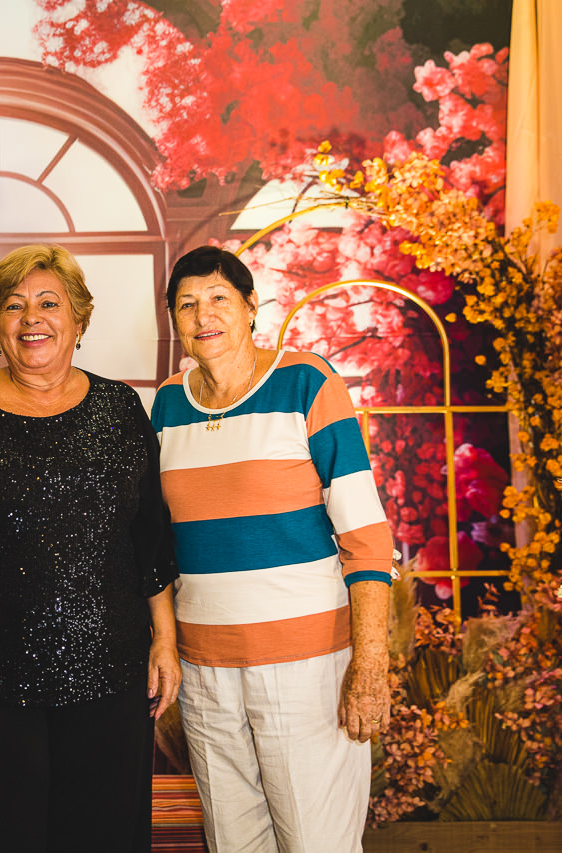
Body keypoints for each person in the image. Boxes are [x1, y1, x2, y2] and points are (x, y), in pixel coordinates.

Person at [0, 244, 179, 853]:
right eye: (14, 305)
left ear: (78, 320)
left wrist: (165, 638)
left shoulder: (120, 409)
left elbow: (150, 536)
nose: (32, 318)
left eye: (49, 303)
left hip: (110, 677)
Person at [150, 245, 394, 853]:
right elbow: (158, 542)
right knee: (232, 843)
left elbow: (366, 538)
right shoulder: (168, 403)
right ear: (173, 319)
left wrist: (370, 664)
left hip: (305, 665)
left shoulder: (305, 382)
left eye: (219, 299)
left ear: (251, 305)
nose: (203, 315)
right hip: (205, 670)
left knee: (316, 842)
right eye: (187, 304)